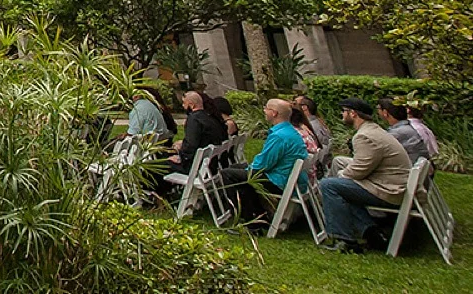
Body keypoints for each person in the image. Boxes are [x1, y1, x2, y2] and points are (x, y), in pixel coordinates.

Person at [319, 97, 411, 253]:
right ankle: (371, 232)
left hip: (389, 190)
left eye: (344, 111)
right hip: (393, 182)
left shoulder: (364, 136)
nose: (342, 115)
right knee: (340, 165)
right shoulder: (373, 129)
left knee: (329, 185)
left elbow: (359, 170)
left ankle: (344, 239)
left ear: (353, 113)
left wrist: (341, 175)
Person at [217, 99, 307, 232]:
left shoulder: (279, 136)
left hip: (279, 180)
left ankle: (251, 221)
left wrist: (249, 168)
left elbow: (263, 165)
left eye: (266, 108)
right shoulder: (290, 131)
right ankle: (257, 215)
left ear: (274, 113)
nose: (264, 111)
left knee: (228, 175)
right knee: (236, 169)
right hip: (288, 177)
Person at [167, 91, 228, 177]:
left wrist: (180, 156)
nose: (183, 106)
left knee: (160, 166)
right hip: (211, 165)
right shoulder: (210, 118)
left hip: (195, 167)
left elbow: (190, 146)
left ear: (191, 105)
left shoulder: (194, 119)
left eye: (184, 103)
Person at [377, 99, 430, 164]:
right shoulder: (407, 128)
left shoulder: (397, 133)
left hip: (406, 170)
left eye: (378, 108)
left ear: (385, 112)